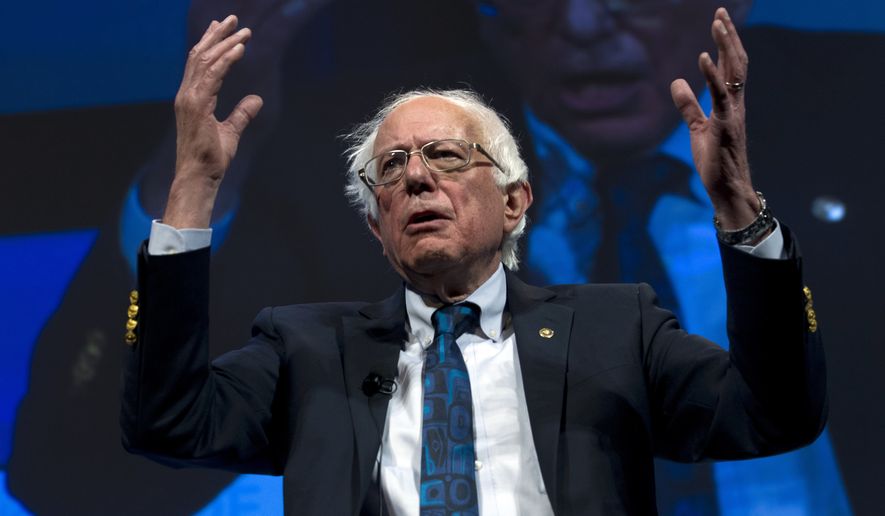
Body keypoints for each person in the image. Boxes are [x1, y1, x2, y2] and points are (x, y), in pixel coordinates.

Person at [121, 9, 825, 515]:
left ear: (516, 201)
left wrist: (739, 210)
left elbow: (773, 416)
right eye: (391, 168)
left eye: (448, 157)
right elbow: (167, 423)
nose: (417, 179)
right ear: (376, 226)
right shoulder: (303, 349)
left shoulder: (616, 328)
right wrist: (191, 193)